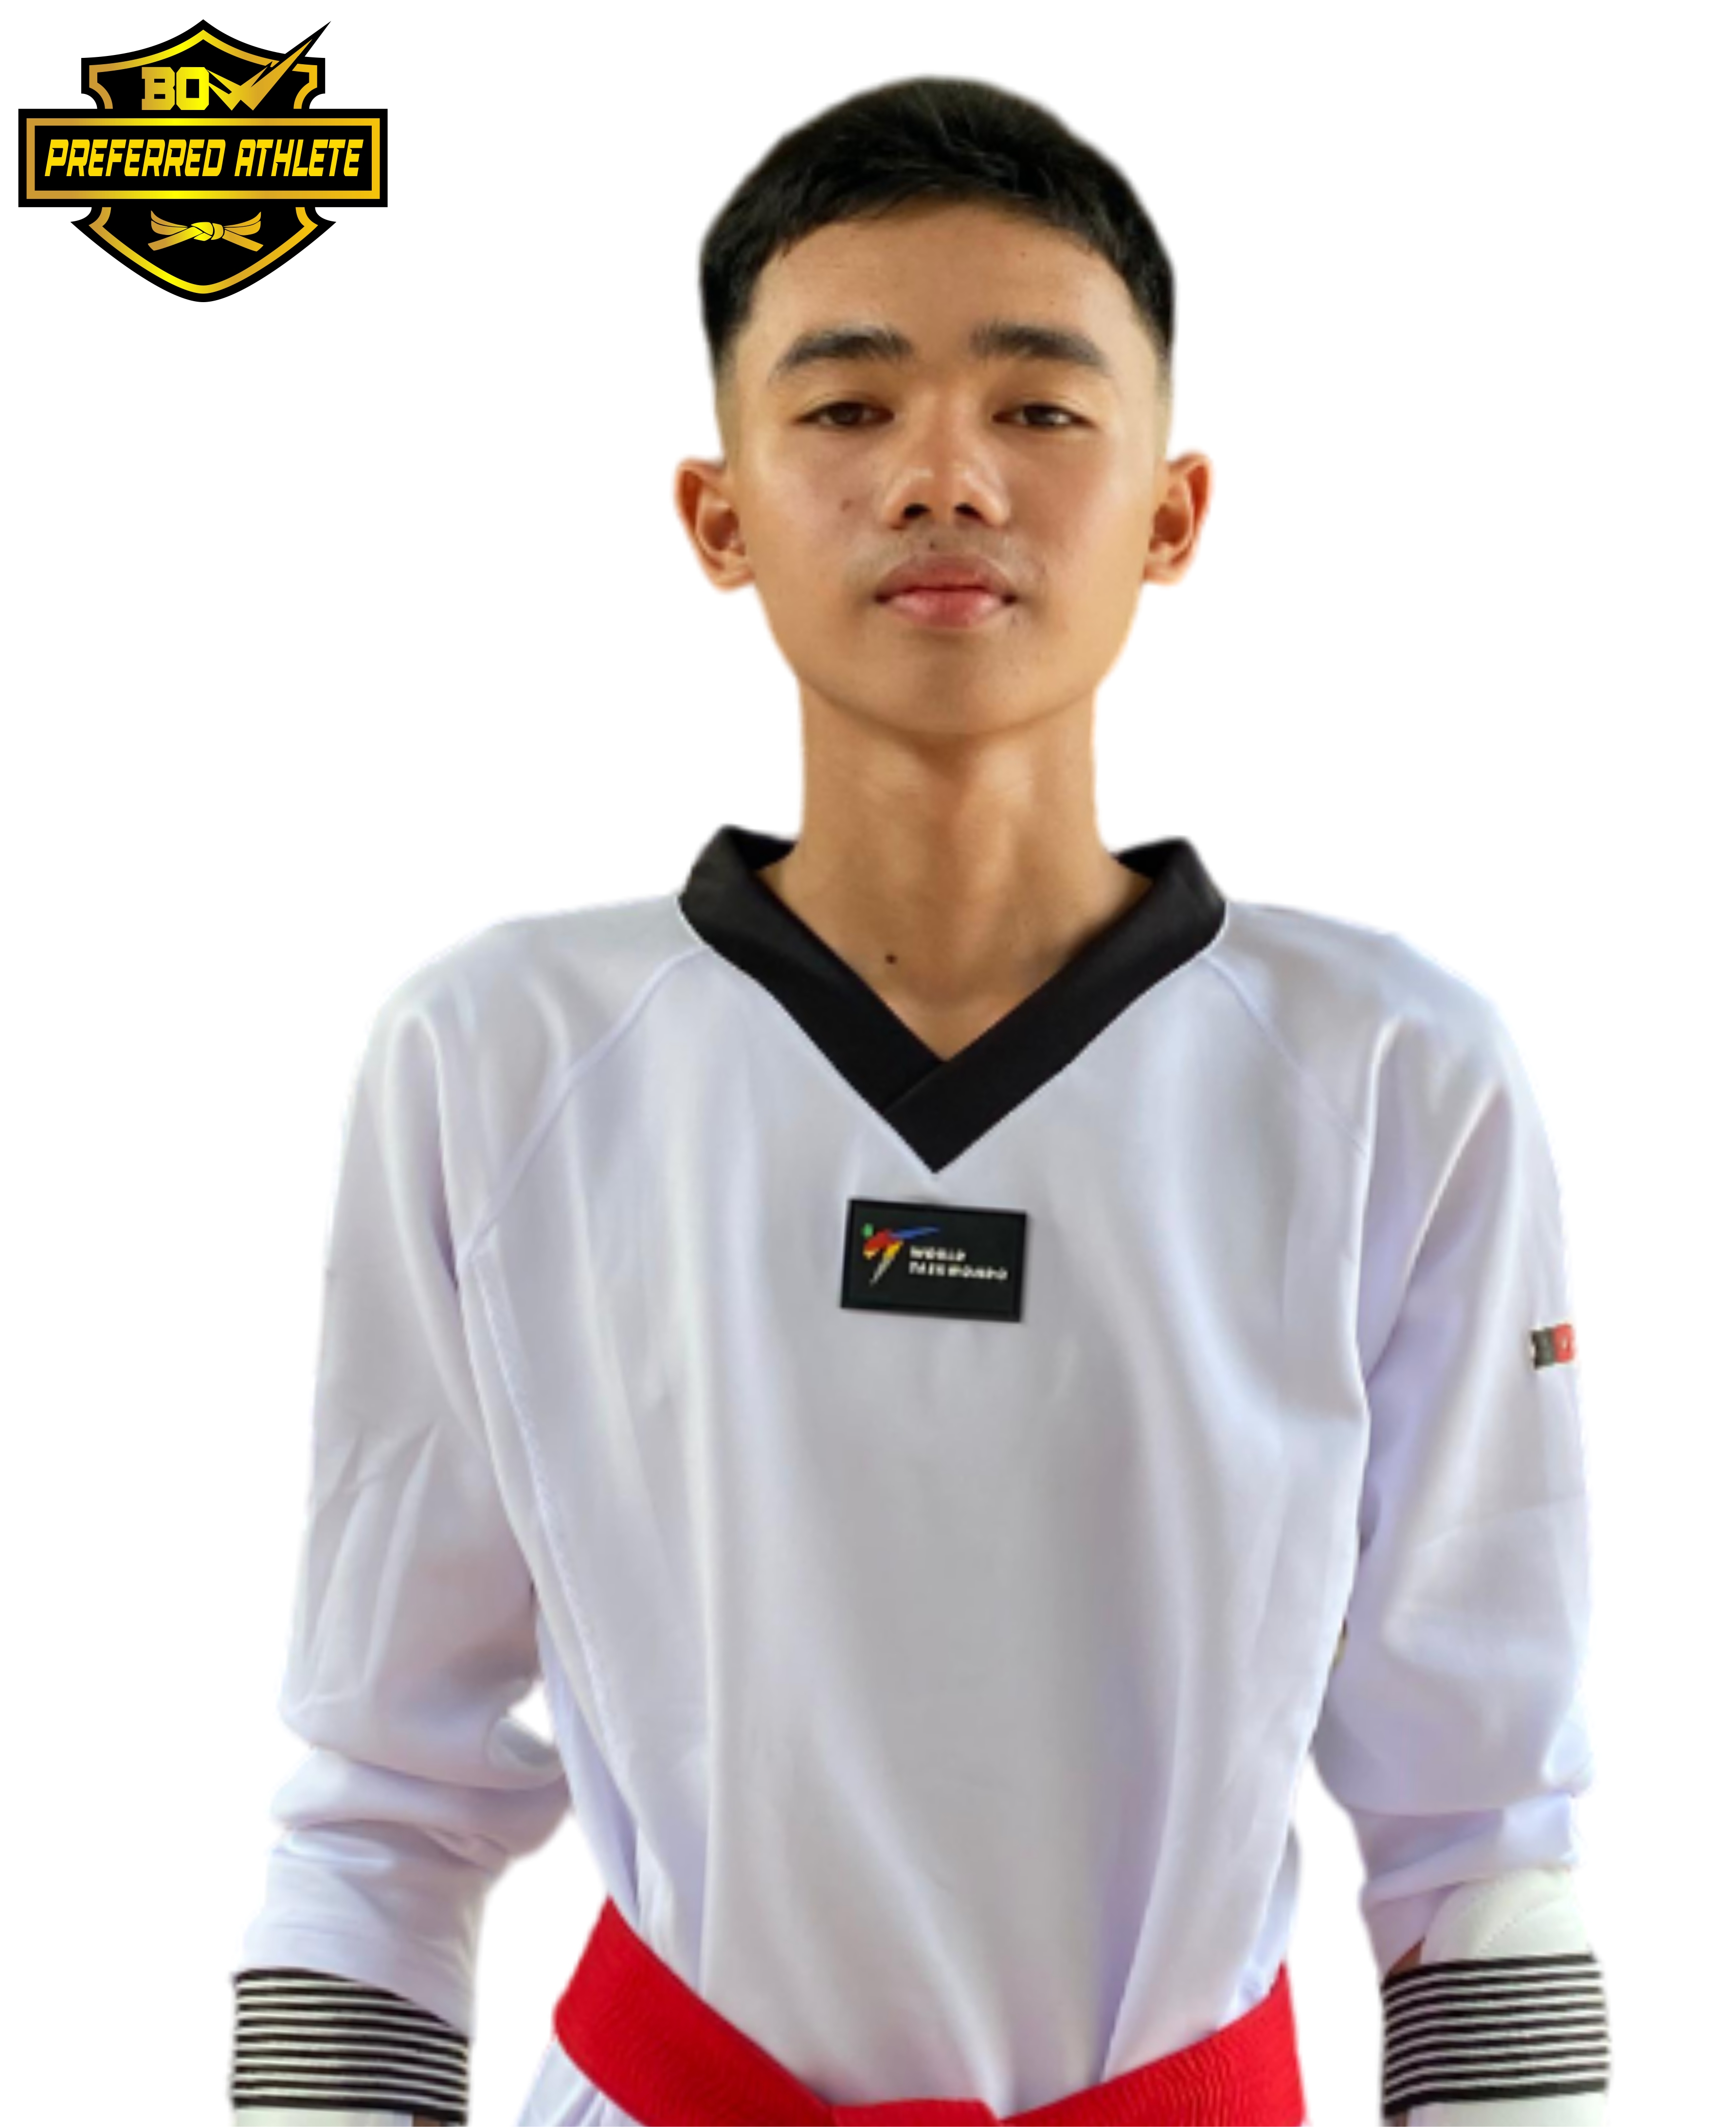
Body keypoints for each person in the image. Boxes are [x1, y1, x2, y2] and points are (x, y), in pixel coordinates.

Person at [228, 75, 1609, 2127]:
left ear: (1171, 510)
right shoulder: (493, 1058)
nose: (945, 477)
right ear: (718, 512)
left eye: (1037, 407)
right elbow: (377, 1802)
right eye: (849, 406)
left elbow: (1479, 1834)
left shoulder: (1394, 1074)